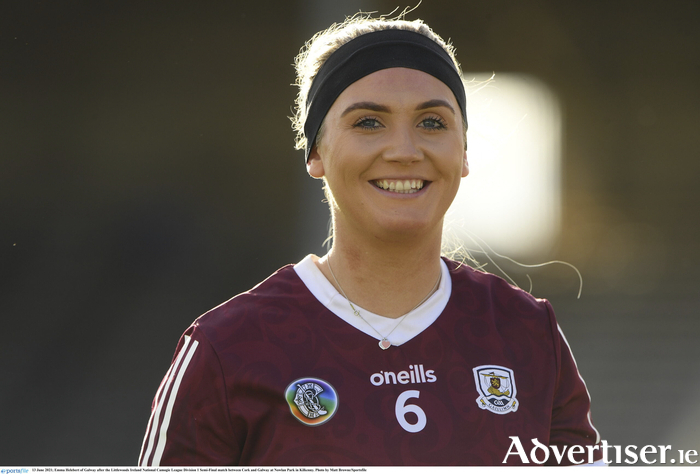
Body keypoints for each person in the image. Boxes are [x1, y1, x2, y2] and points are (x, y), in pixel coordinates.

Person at [138, 14, 603, 466]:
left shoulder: (527, 332)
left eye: (432, 123)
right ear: (315, 152)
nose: (404, 150)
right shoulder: (227, 348)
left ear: (463, 153)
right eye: (368, 123)